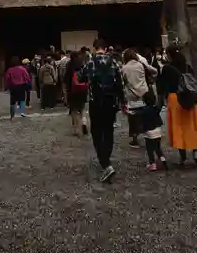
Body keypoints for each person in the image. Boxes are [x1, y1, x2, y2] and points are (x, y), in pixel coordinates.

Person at [79, 38, 126, 182]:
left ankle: (105, 163)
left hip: (96, 102)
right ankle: (107, 158)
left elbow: (81, 78)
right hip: (111, 102)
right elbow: (120, 83)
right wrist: (122, 102)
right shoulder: (114, 62)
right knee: (108, 130)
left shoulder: (90, 62)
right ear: (105, 48)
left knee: (97, 131)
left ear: (94, 48)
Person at [122, 49, 167, 170]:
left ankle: (135, 138)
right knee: (148, 114)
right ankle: (151, 135)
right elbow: (154, 71)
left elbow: (123, 81)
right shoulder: (141, 64)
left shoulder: (124, 68)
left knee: (134, 117)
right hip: (144, 93)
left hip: (131, 95)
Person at [159, 44, 197, 167]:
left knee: (178, 128)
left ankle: (182, 157)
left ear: (169, 54)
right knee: (191, 126)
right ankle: (195, 153)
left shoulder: (167, 68)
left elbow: (161, 86)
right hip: (189, 99)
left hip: (175, 99)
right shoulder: (187, 67)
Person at [64, 51, 89, 137]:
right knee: (82, 108)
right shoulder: (82, 65)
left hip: (72, 91)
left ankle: (76, 130)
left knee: (74, 110)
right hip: (82, 90)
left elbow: (65, 80)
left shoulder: (69, 66)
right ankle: (84, 122)